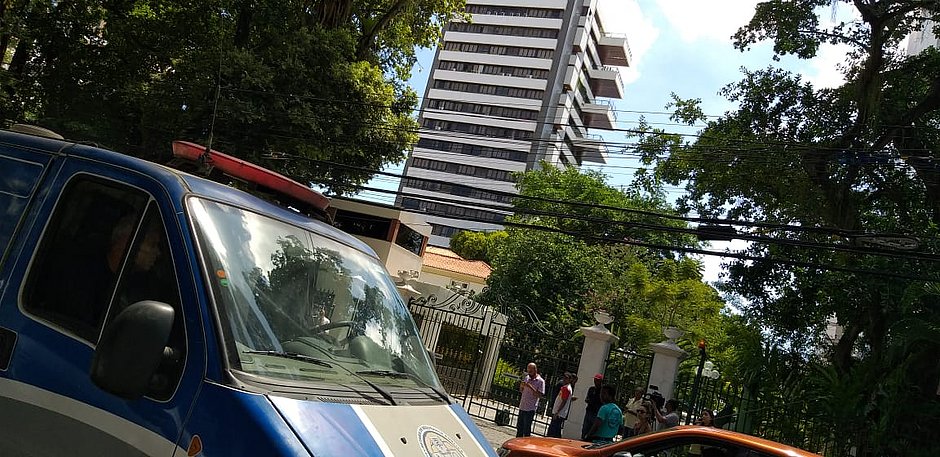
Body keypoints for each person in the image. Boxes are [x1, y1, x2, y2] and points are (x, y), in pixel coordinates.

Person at [516, 362, 545, 437]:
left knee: (526, 429)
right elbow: (522, 391)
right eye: (528, 371)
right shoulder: (527, 378)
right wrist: (521, 386)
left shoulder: (540, 381)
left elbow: (539, 395)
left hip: (530, 408)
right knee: (519, 428)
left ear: (535, 370)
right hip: (522, 406)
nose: (529, 373)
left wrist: (530, 387)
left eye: (531, 371)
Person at [547, 373, 577, 437]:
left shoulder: (566, 388)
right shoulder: (565, 387)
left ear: (570, 379)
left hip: (559, 414)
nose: (564, 379)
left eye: (566, 378)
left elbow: (564, 401)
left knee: (553, 432)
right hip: (559, 413)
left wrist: (557, 412)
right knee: (556, 431)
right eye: (564, 377)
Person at [581, 373, 604, 440]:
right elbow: (587, 398)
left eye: (597, 380)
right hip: (589, 411)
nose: (595, 381)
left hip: (596, 413)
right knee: (585, 428)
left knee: (593, 430)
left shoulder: (602, 391)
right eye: (595, 380)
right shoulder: (591, 389)